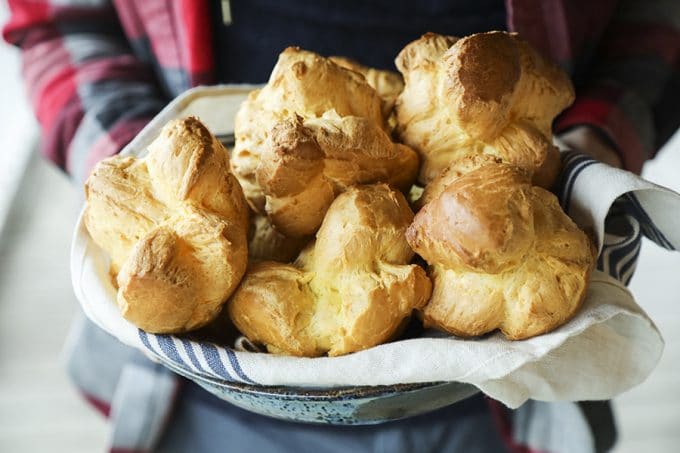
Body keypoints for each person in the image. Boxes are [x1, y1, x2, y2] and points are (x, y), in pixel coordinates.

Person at [3, 1, 679, 452]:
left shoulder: (417, 185)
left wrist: (601, 142)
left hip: (512, 397)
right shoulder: (245, 232)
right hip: (199, 395)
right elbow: (58, 19)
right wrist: (134, 149)